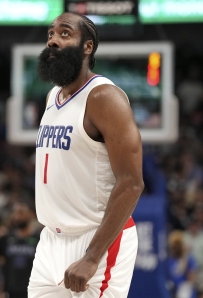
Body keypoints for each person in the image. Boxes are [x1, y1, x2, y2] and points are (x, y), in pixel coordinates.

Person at [29, 12, 142, 297]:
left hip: (96, 239)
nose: (53, 40)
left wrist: (92, 257)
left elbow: (131, 182)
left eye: (65, 33)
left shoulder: (104, 97)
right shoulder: (52, 97)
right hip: (51, 241)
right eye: (51, 34)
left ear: (87, 47)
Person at [0, 201, 40, 298]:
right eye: (15, 213)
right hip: (11, 291)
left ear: (31, 214)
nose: (17, 217)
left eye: (21, 213)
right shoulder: (5, 239)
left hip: (35, 291)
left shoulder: (40, 239)